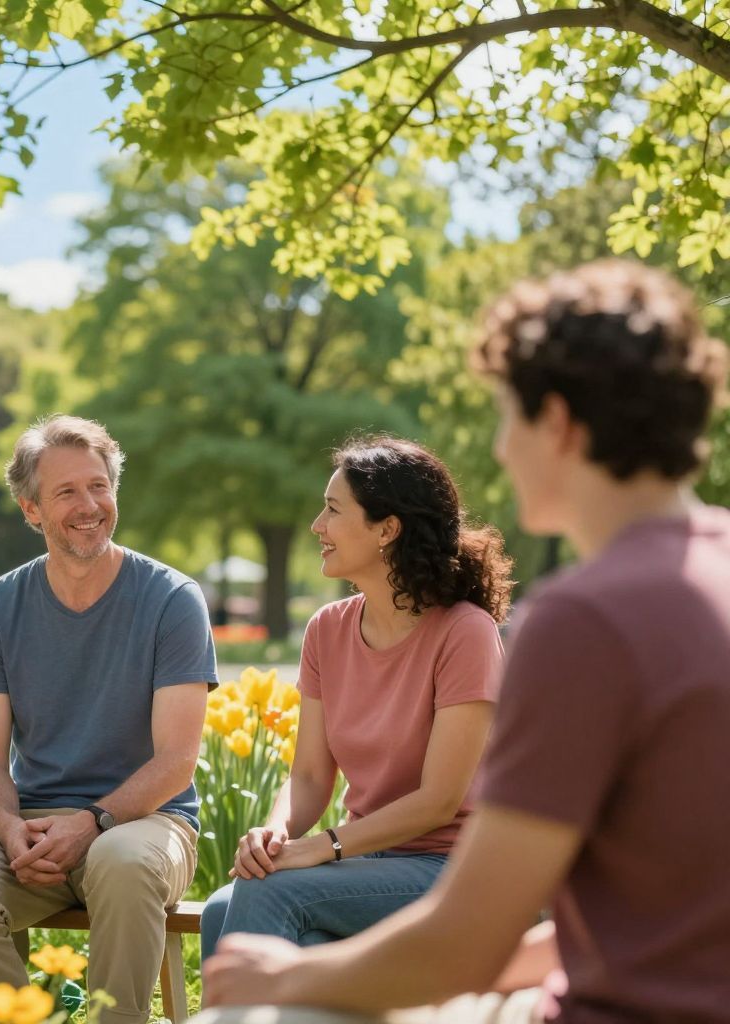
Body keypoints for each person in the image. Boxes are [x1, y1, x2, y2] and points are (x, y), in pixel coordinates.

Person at [199, 260, 730, 1022]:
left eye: (507, 415)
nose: (502, 446)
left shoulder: (585, 622)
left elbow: (468, 937)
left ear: (557, 422)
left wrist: (286, 982)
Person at [0, 414, 216, 1024]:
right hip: (31, 829)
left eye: (99, 486)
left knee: (121, 862)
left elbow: (176, 761)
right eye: (66, 492)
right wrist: (7, 828)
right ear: (31, 510)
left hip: (147, 823)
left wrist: (92, 822)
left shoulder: (171, 600)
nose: (90, 505)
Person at [199, 437, 510, 970]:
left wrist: (322, 848)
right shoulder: (327, 630)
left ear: (388, 529)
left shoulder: (466, 634)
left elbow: (439, 801)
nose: (317, 525)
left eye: (333, 510)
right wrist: (276, 833)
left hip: (450, 867)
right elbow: (310, 778)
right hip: (367, 861)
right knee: (220, 909)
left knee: (269, 896)